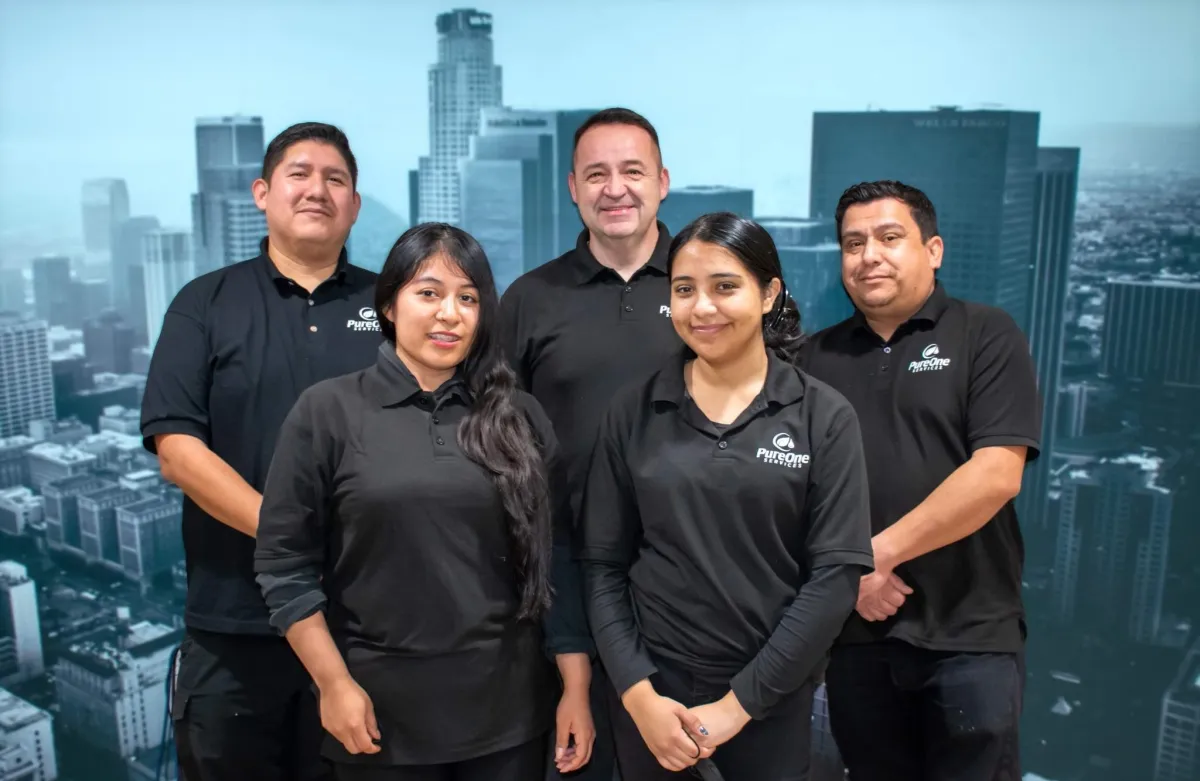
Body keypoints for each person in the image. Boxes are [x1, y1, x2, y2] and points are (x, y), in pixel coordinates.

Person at [254, 223, 562, 781]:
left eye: (468, 298)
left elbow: (558, 559)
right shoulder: (327, 412)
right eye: (429, 293)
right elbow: (284, 566)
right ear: (390, 305)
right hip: (375, 716)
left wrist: (577, 689)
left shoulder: (518, 416)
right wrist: (334, 683)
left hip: (509, 715)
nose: (450, 313)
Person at [577, 212, 876, 780]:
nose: (702, 308)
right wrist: (639, 697)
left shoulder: (824, 416)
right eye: (684, 289)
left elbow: (835, 579)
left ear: (769, 294)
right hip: (652, 703)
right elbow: (601, 564)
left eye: (725, 287)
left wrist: (736, 708)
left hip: (768, 697)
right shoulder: (633, 409)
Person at [140, 122, 378, 781]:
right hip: (233, 631)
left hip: (366, 629)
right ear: (262, 192)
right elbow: (178, 451)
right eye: (299, 174)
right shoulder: (205, 303)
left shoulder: (391, 305)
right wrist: (288, 532)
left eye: (336, 179)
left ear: (355, 205)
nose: (317, 190)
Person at [798, 180, 1041, 781]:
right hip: (856, 637)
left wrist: (874, 556)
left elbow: (996, 475)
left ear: (933, 250)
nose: (868, 255)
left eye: (888, 237)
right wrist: (851, 577)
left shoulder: (985, 333)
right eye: (852, 244)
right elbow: (789, 495)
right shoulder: (809, 361)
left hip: (970, 633)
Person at [499, 107, 681, 778]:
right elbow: (492, 437)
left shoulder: (705, 290)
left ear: (662, 181)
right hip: (561, 587)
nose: (615, 188)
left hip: (688, 585)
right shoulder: (529, 299)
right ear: (572, 188)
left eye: (632, 171)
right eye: (596, 174)